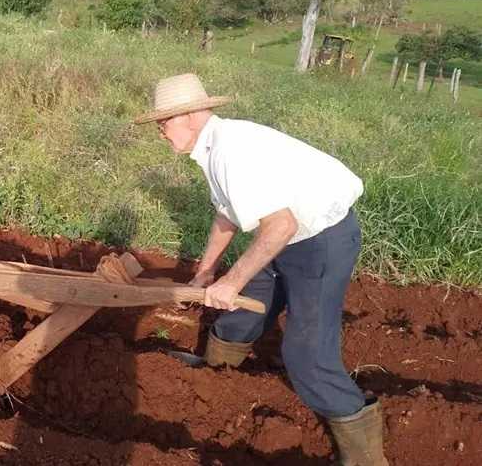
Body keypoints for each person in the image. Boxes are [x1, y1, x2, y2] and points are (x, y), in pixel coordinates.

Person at [135, 73, 388, 466]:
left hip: (320, 242)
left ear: (189, 116)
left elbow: (282, 225)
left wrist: (231, 280)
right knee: (242, 310)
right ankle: (215, 379)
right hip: (289, 236)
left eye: (163, 122)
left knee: (306, 356)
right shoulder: (213, 146)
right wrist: (207, 271)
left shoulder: (231, 152)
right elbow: (227, 213)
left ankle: (366, 458)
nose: (160, 131)